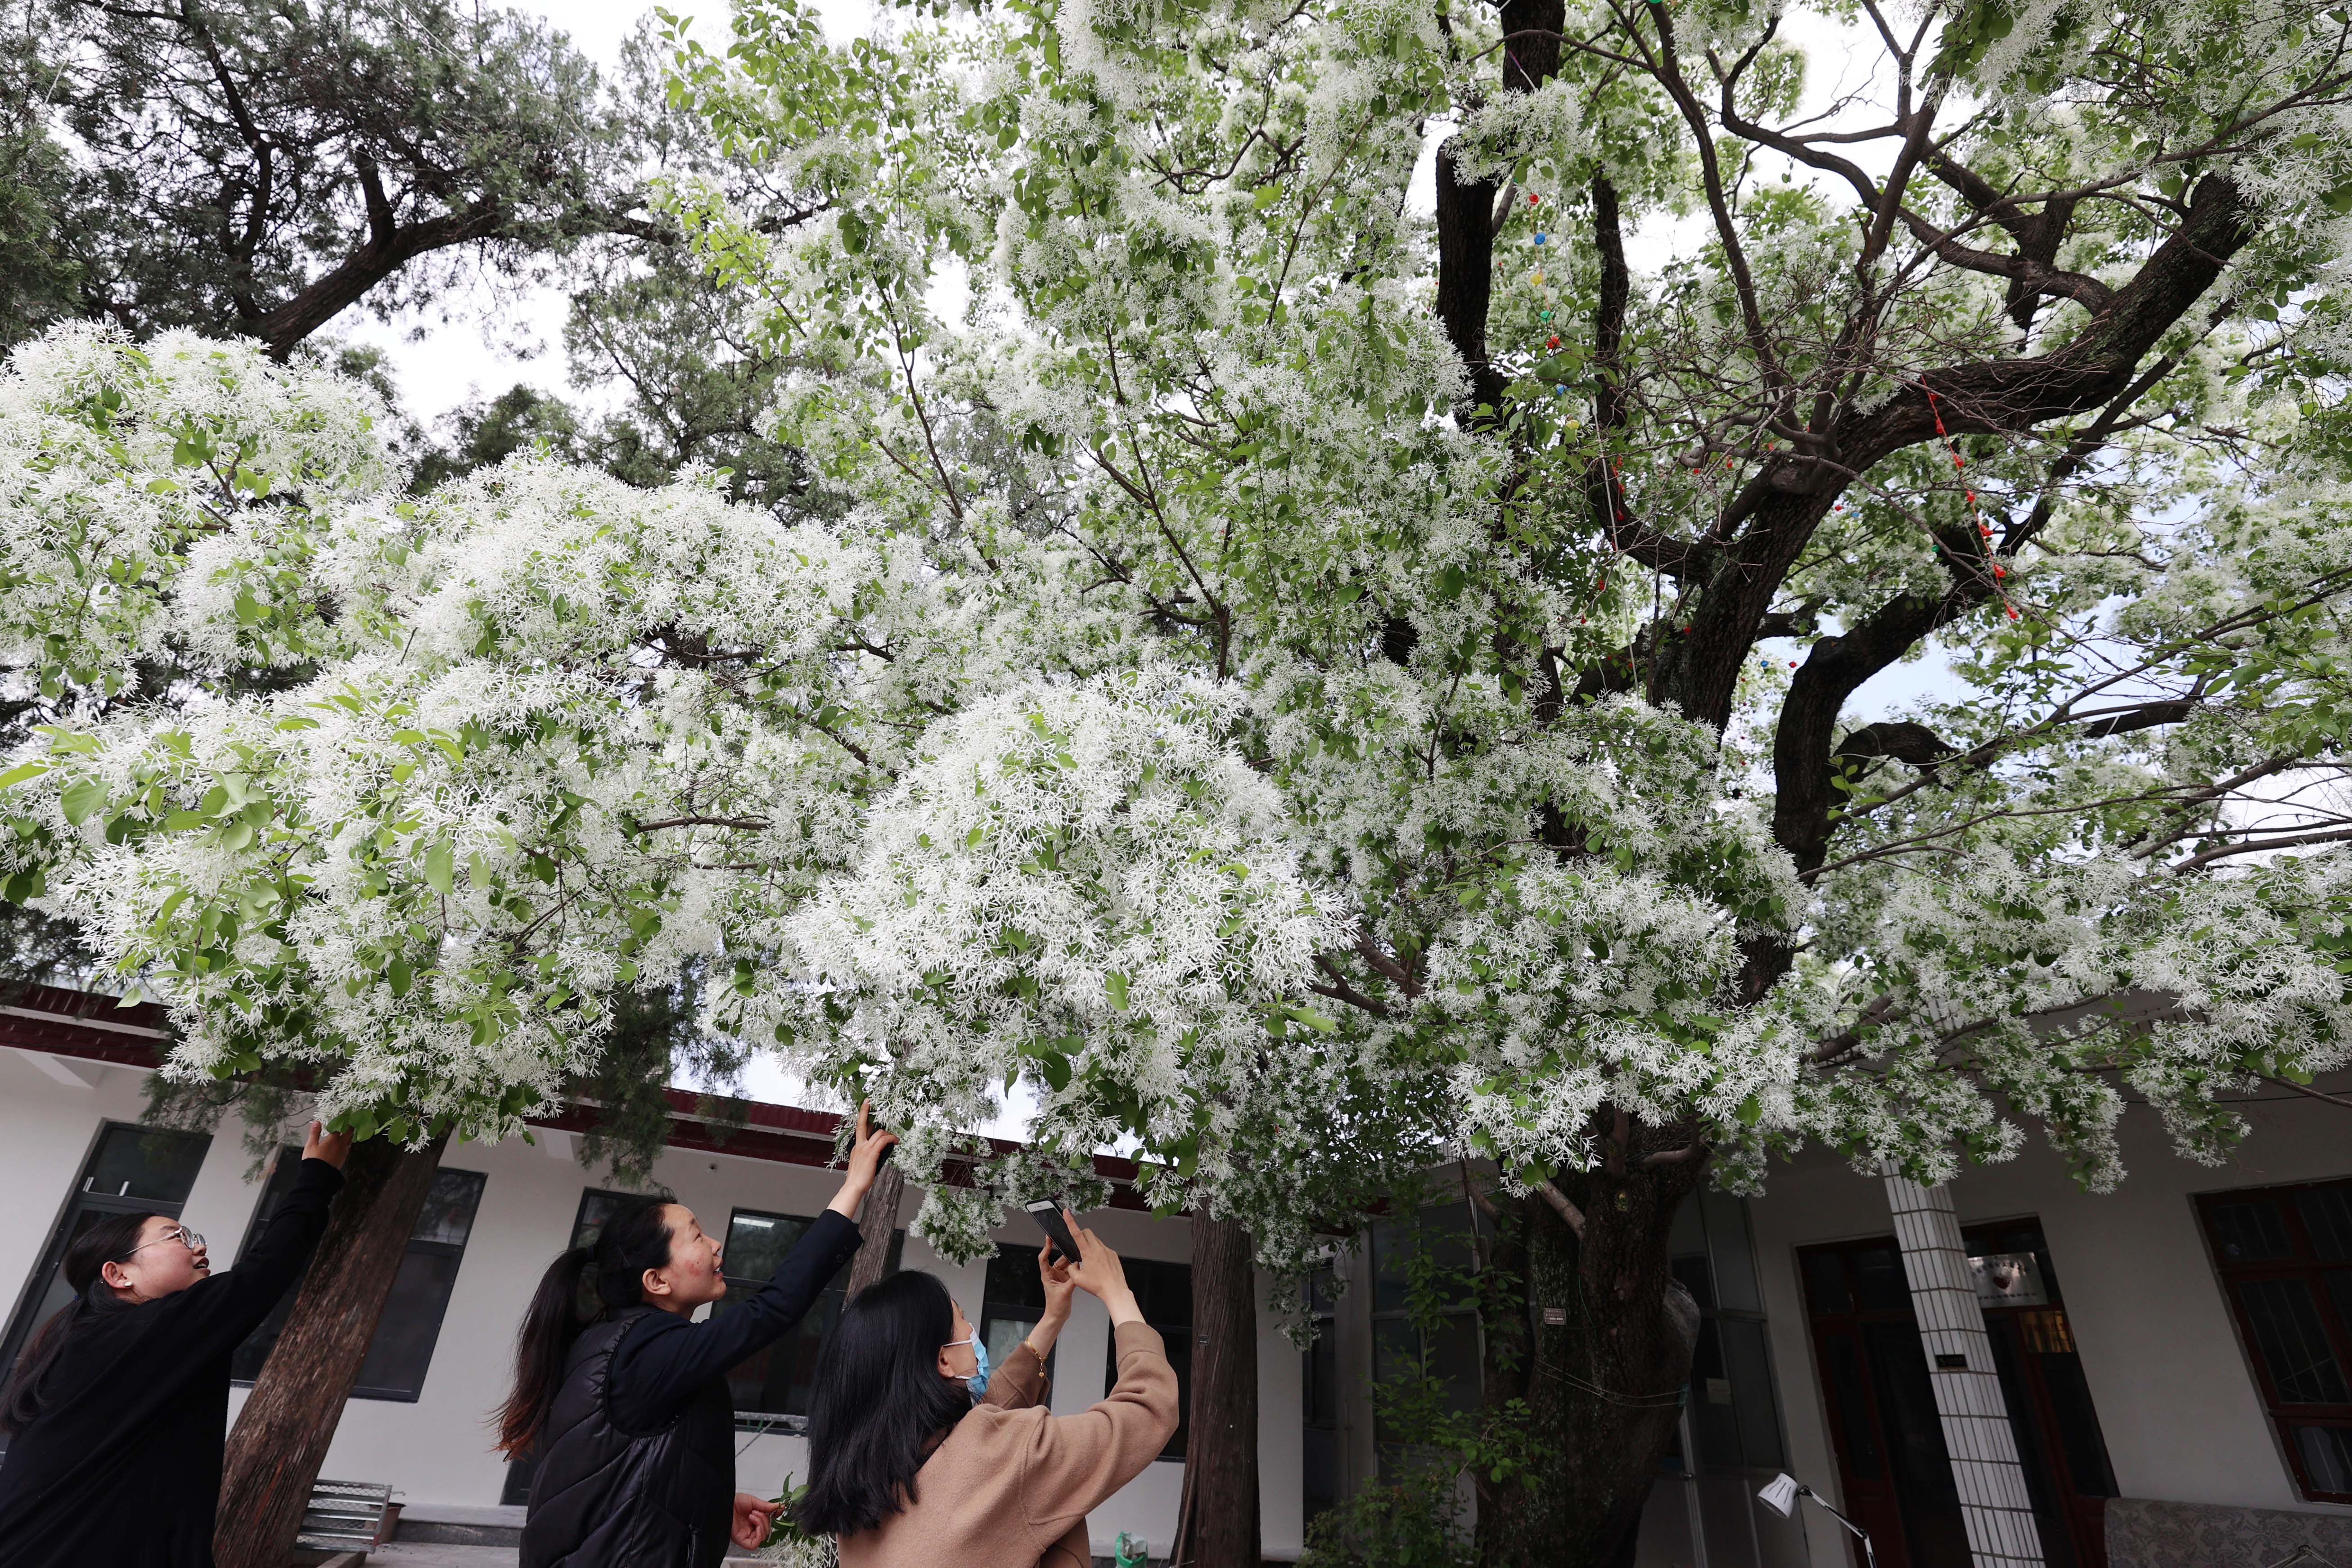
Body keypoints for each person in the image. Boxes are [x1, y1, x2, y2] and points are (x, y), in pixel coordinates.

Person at [505, 1102, 898, 1568]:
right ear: (657, 1281)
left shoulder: (621, 1344)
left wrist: (712, 1504)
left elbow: (627, 1466)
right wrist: (854, 1186)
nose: (715, 1244)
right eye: (695, 1236)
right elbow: (772, 1308)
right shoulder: (643, 1351)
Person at [0, 1118, 353, 1568]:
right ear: (118, 1274)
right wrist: (317, 1176)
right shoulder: (135, 1334)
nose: (199, 1248)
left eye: (197, 1237)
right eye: (178, 1236)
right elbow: (263, 1273)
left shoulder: (95, 1338)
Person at [799, 1215, 1176, 1568]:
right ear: (943, 1361)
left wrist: (1053, 1318)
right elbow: (1148, 1408)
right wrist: (1118, 1293)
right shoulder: (1006, 1456)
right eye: (962, 1320)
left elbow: (969, 1439)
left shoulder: (864, 1484)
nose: (971, 1332)